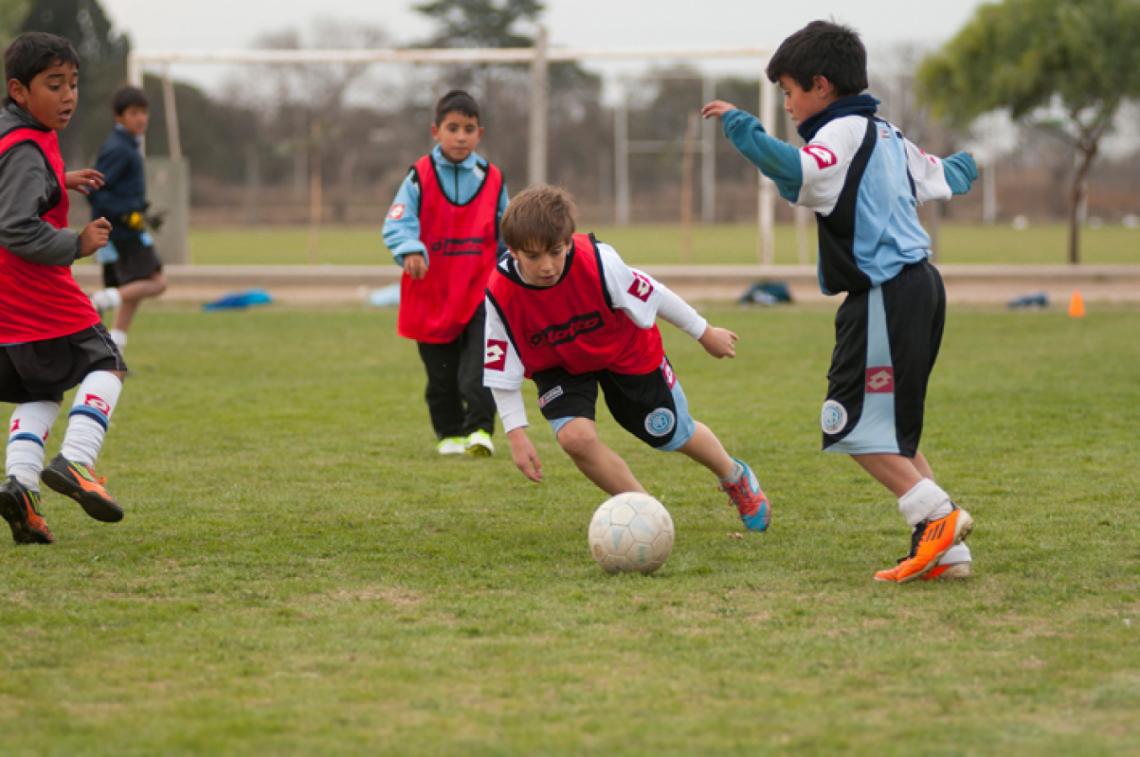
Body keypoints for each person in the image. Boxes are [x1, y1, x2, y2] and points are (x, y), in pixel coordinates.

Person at [702, 20, 978, 581]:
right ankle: (949, 554)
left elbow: (795, 169)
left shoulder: (841, 133)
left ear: (820, 86)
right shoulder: (886, 132)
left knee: (847, 426)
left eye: (788, 91)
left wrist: (741, 128)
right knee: (892, 435)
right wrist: (972, 163)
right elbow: (944, 176)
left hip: (884, 293)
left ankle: (939, 516)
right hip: (920, 286)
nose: (786, 104)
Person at [482, 185, 771, 532]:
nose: (547, 266)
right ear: (512, 252)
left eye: (555, 252)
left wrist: (704, 332)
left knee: (671, 433)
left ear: (569, 241)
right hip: (558, 363)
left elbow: (655, 293)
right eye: (533, 257)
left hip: (624, 349)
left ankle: (734, 475)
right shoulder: (500, 293)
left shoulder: (600, 263)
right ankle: (649, 518)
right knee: (575, 439)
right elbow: (500, 369)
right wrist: (516, 434)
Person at [0, 32, 129, 545]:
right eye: (54, 85)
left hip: (7, 302)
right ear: (19, 90)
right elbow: (14, 226)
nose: (69, 96)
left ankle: (20, 488)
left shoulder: (14, 133)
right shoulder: (27, 150)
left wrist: (59, 180)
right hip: (35, 291)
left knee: (40, 389)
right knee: (108, 363)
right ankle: (76, 460)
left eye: (73, 84)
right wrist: (76, 243)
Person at [382, 89, 508, 457]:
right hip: (432, 291)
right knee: (441, 375)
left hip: (479, 290)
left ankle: (480, 431)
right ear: (435, 131)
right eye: (452, 128)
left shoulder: (493, 178)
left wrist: (515, 260)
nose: (460, 136)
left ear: (479, 134)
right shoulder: (419, 177)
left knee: (479, 367)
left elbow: (508, 228)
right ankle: (449, 434)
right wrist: (410, 250)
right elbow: (396, 222)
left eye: (468, 129)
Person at [85, 85, 167, 352]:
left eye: (144, 112)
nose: (141, 118)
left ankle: (114, 349)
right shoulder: (119, 148)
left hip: (122, 230)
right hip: (121, 233)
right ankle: (99, 300)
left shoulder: (128, 145)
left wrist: (141, 212)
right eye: (134, 113)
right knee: (156, 283)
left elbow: (119, 190)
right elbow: (94, 190)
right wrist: (125, 215)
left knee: (132, 288)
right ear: (118, 116)